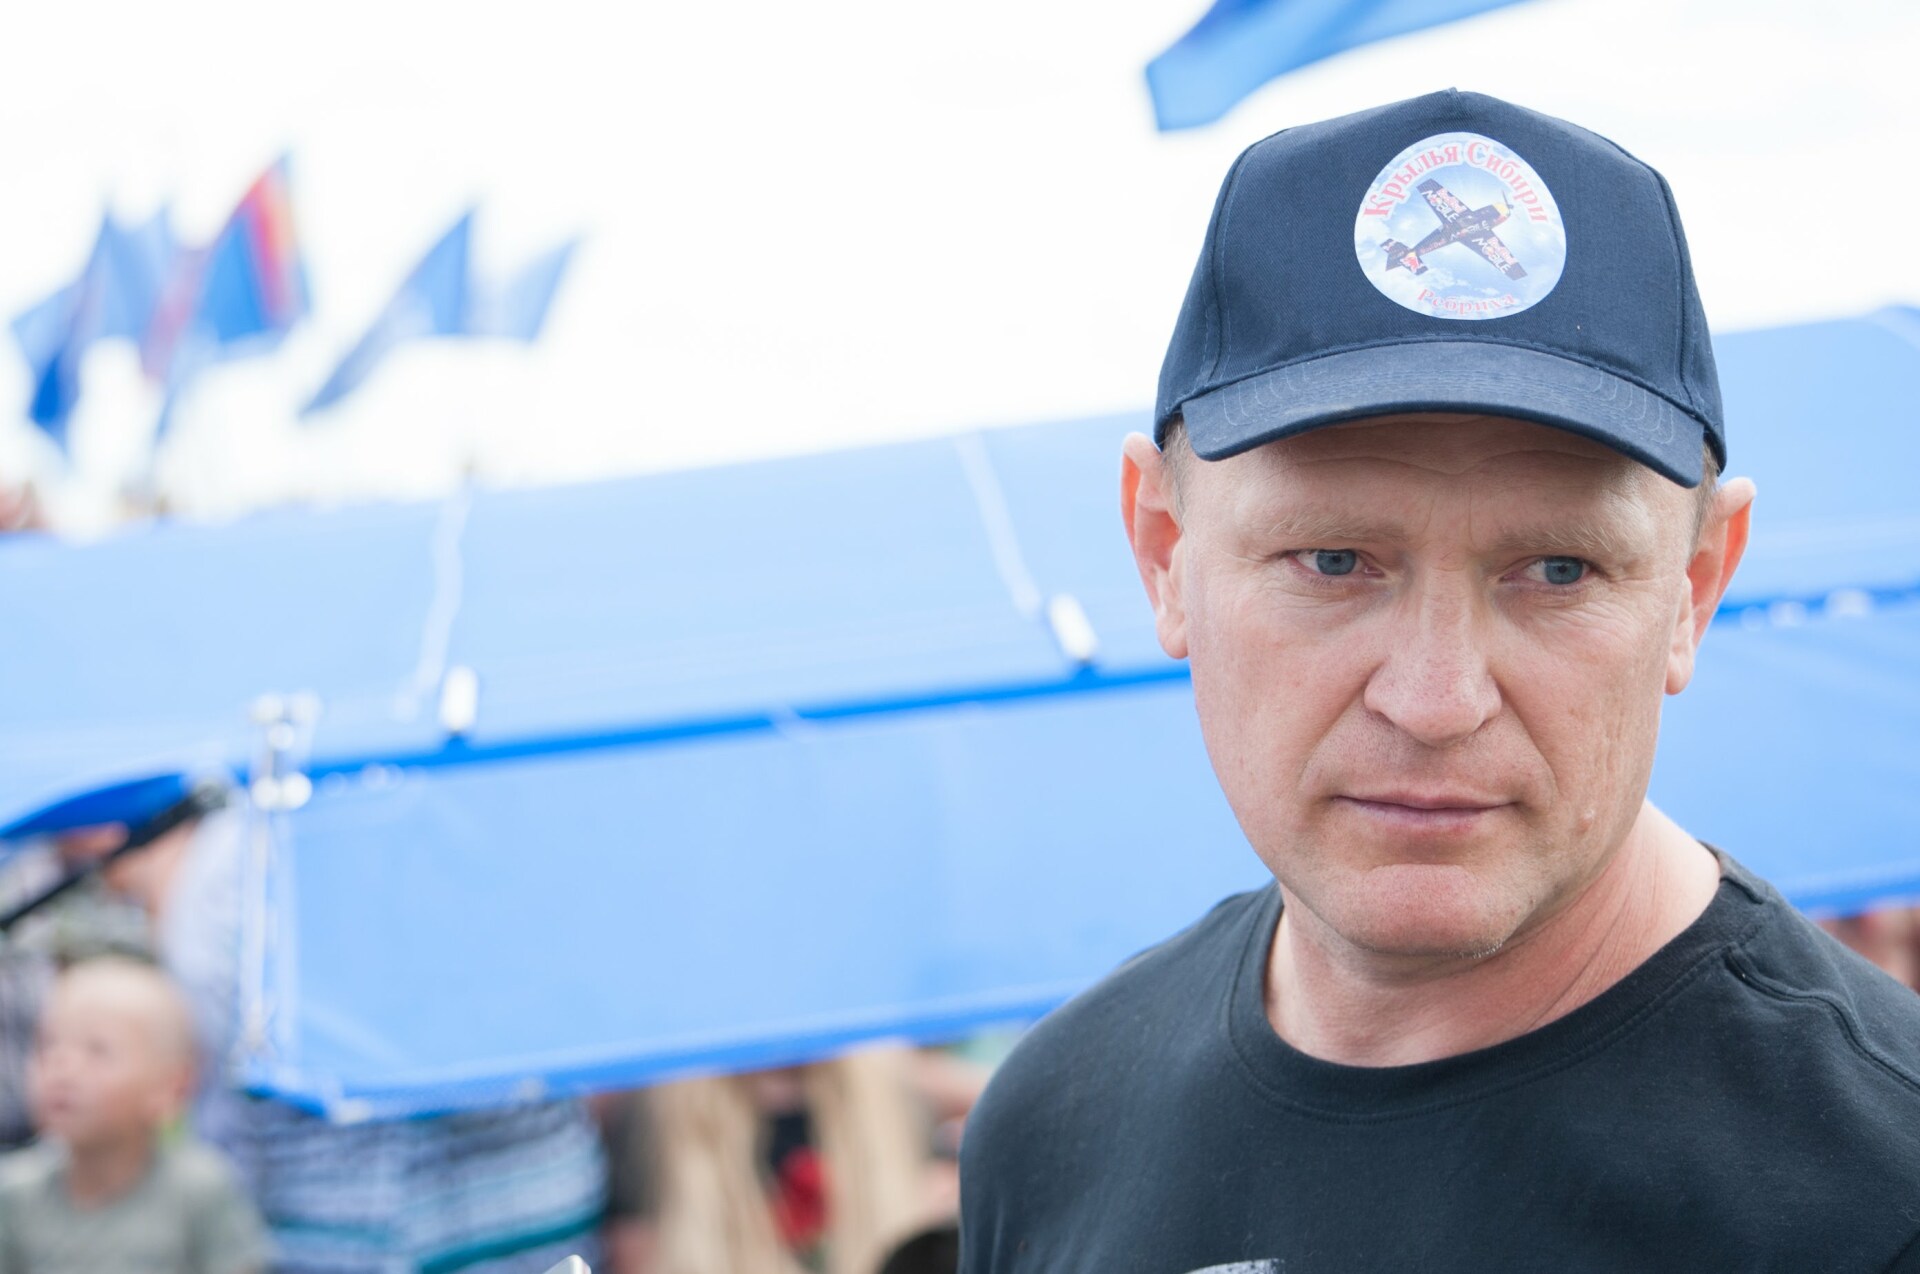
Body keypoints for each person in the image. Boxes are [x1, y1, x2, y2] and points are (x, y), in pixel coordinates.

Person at [958, 89, 1920, 1271]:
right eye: (1333, 560)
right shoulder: (1055, 1127)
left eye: (1557, 569)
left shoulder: (1882, 1194)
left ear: (1694, 586)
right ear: (1164, 552)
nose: (1435, 698)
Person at [0, 956, 268, 1274]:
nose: (63, 1068)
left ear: (172, 1087)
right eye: (48, 1045)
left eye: (97, 1050)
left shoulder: (200, 1191)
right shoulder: (14, 1194)